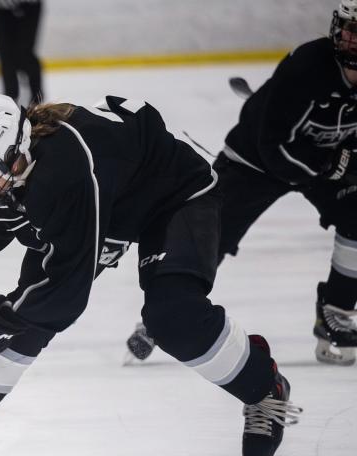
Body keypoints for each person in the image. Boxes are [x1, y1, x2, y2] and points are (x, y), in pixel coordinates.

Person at [0, 90, 302, 456]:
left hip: (174, 197)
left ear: (13, 156)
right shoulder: (14, 167)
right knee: (24, 316)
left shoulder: (65, 172)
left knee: (173, 319)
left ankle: (264, 385)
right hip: (107, 205)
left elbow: (66, 292)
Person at [126, 0, 357, 366]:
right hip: (256, 160)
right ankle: (161, 315)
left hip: (322, 161)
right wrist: (334, 165)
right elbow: (274, 147)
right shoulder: (307, 66)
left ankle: (337, 313)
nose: (351, 39)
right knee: (208, 232)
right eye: (349, 29)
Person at [0, 0, 44, 105]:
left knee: (24, 53)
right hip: (0, 7)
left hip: (29, 6)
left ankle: (36, 99)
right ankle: (10, 99)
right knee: (5, 55)